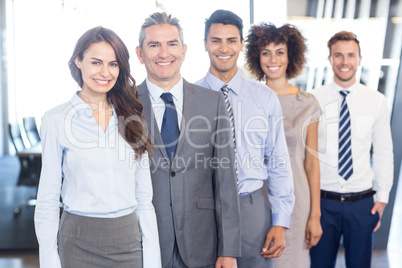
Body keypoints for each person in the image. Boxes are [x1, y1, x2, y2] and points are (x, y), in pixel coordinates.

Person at [34, 26, 161, 268]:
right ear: (78, 61)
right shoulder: (56, 120)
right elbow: (47, 200)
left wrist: (152, 259)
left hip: (128, 241)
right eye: (96, 62)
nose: (105, 72)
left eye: (113, 64)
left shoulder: (134, 118)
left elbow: (145, 199)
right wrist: (49, 260)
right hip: (78, 241)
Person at [135, 12, 241, 268]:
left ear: (183, 50)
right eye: (154, 45)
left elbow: (225, 181)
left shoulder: (212, 102)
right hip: (144, 244)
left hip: (201, 242)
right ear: (140, 53)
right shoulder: (125, 105)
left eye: (171, 44)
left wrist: (229, 250)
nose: (164, 53)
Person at [196, 10, 295, 267]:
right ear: (205, 44)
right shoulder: (189, 98)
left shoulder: (264, 98)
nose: (224, 48)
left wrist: (280, 221)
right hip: (205, 211)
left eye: (231, 40)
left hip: (252, 209)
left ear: (241, 44)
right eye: (216, 40)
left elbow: (277, 160)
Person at [309, 31, 394, 267]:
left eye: (350, 55)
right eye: (338, 55)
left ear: (360, 59)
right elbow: (308, 155)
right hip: (323, 203)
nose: (344, 62)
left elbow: (384, 151)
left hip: (362, 203)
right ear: (329, 59)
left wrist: (383, 197)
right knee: (320, 264)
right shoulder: (313, 99)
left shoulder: (376, 101)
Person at [245, 22, 323, 268]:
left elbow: (311, 163)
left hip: (297, 200)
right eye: (266, 52)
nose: (273, 59)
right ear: (257, 58)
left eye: (280, 51)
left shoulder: (308, 103)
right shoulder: (247, 99)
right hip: (256, 199)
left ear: (291, 56)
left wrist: (315, 215)